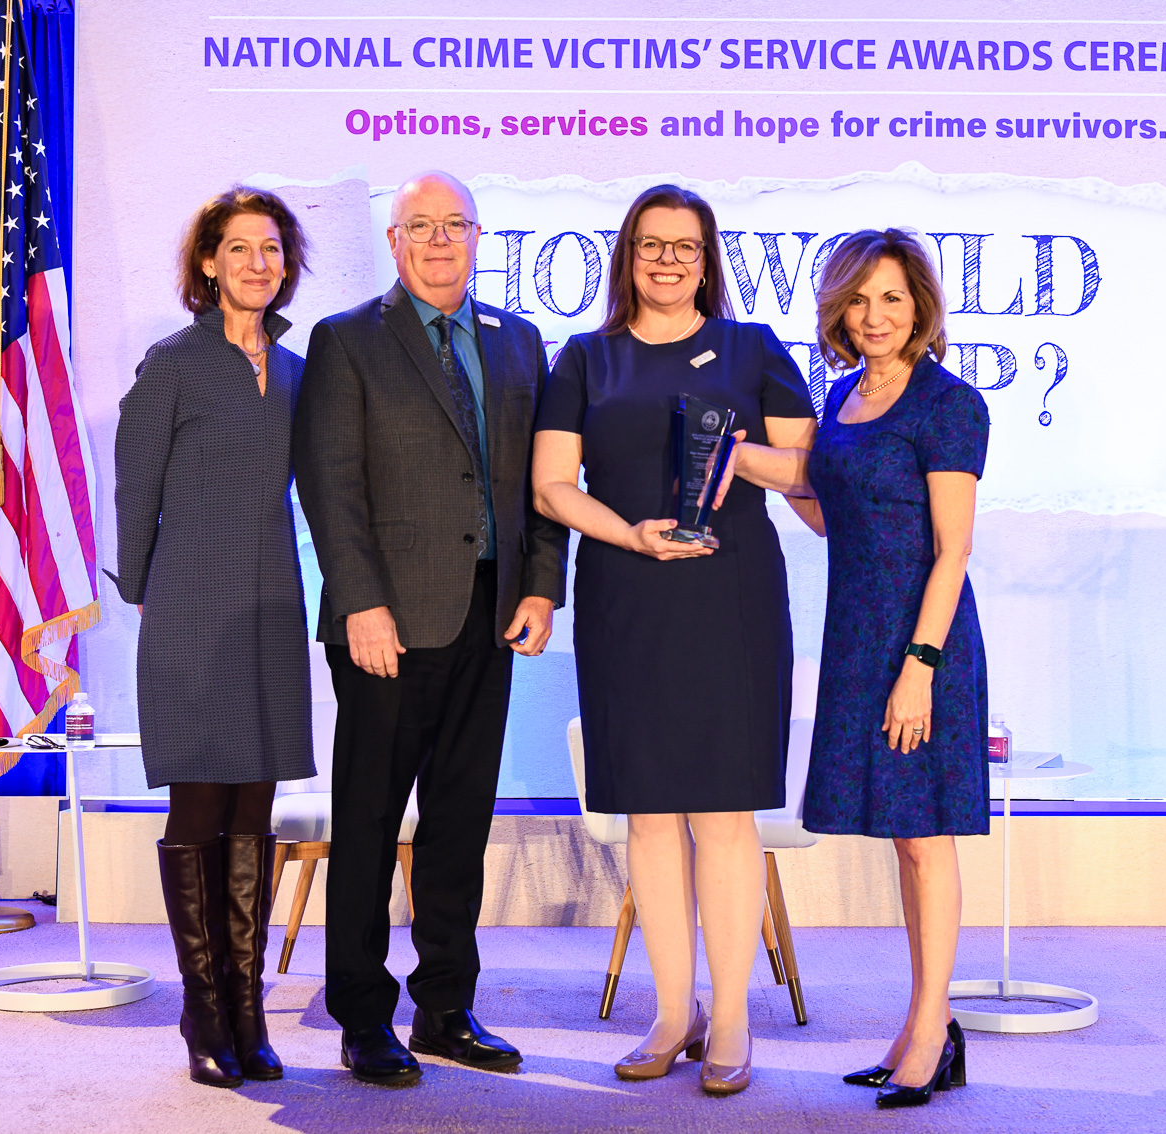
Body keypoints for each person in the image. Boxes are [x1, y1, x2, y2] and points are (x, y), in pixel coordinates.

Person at [531, 184, 818, 1096]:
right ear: (627, 255)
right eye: (651, 246)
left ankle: (730, 1020)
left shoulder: (752, 348)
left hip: (730, 602)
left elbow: (811, 471)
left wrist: (740, 458)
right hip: (626, 597)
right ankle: (671, 1011)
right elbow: (550, 486)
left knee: (724, 817)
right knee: (650, 817)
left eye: (685, 248)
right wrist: (631, 533)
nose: (667, 261)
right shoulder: (585, 357)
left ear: (708, 259)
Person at [293, 171, 569, 1087]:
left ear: (480, 236)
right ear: (395, 241)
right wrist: (361, 601)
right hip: (385, 624)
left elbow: (542, 487)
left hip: (492, 618)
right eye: (422, 225)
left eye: (456, 224)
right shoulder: (347, 341)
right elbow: (331, 486)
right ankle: (363, 1016)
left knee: (460, 822)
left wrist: (540, 587)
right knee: (369, 822)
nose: (441, 240)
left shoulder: (520, 340)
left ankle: (446, 1008)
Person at [759, 228, 990, 1109]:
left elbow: (952, 549)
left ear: (920, 305)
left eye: (891, 297)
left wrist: (920, 667)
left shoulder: (950, 404)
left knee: (925, 836)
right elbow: (831, 520)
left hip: (919, 642)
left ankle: (932, 1030)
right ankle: (919, 1028)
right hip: (857, 635)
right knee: (902, 833)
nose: (874, 315)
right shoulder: (846, 395)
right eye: (858, 300)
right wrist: (738, 464)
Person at [112, 186, 316, 1088]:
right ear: (207, 263)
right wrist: (145, 589)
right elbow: (133, 492)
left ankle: (247, 1008)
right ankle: (202, 1014)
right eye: (239, 249)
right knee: (198, 809)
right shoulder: (173, 363)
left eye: (271, 249)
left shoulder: (301, 371)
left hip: (272, 602)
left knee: (253, 813)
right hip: (190, 604)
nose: (258, 264)